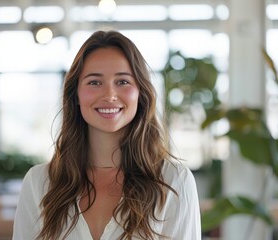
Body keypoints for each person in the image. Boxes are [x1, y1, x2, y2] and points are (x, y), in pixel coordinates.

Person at [12, 29, 201, 240]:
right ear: (75, 95)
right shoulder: (39, 183)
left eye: (122, 82)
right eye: (94, 82)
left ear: (141, 93)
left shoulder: (174, 181)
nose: (109, 95)